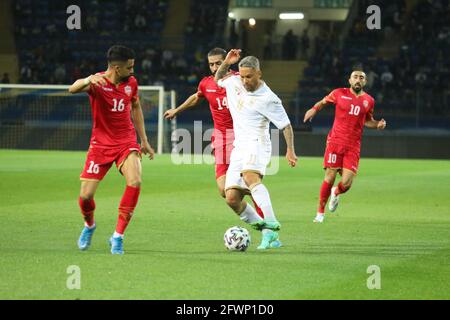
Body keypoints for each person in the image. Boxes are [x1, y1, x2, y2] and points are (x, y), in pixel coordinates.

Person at [69, 45, 155, 254]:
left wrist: (143, 140)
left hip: (126, 141)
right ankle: (89, 225)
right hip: (100, 144)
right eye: (129, 67)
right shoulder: (97, 83)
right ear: (116, 68)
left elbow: (135, 107)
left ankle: (118, 236)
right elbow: (71, 89)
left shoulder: (131, 83)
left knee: (135, 181)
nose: (132, 71)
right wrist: (88, 79)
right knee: (86, 196)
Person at [163, 48, 264, 218]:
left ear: (227, 61)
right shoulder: (206, 83)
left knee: (247, 182)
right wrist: (176, 110)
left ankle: (264, 221)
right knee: (224, 190)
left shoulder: (239, 80)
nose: (215, 67)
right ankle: (256, 208)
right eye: (212, 64)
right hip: (220, 139)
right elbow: (197, 97)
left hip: (241, 137)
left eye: (219, 63)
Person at [215, 49, 298, 249]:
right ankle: (267, 232)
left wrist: (290, 150)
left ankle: (271, 222)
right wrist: (226, 62)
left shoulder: (269, 98)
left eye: (249, 77)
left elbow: (285, 125)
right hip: (239, 146)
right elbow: (218, 79)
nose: (244, 81)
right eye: (242, 76)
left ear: (259, 74)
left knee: (251, 176)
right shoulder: (234, 81)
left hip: (258, 142)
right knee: (231, 198)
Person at [303, 68, 387, 223]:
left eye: (361, 77)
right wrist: (313, 109)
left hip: (353, 145)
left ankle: (336, 192)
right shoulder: (338, 93)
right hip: (335, 141)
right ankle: (320, 213)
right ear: (349, 80)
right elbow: (322, 102)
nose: (358, 80)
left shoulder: (369, 100)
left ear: (365, 82)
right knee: (330, 175)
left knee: (347, 183)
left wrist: (378, 125)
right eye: (355, 77)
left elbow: (368, 120)